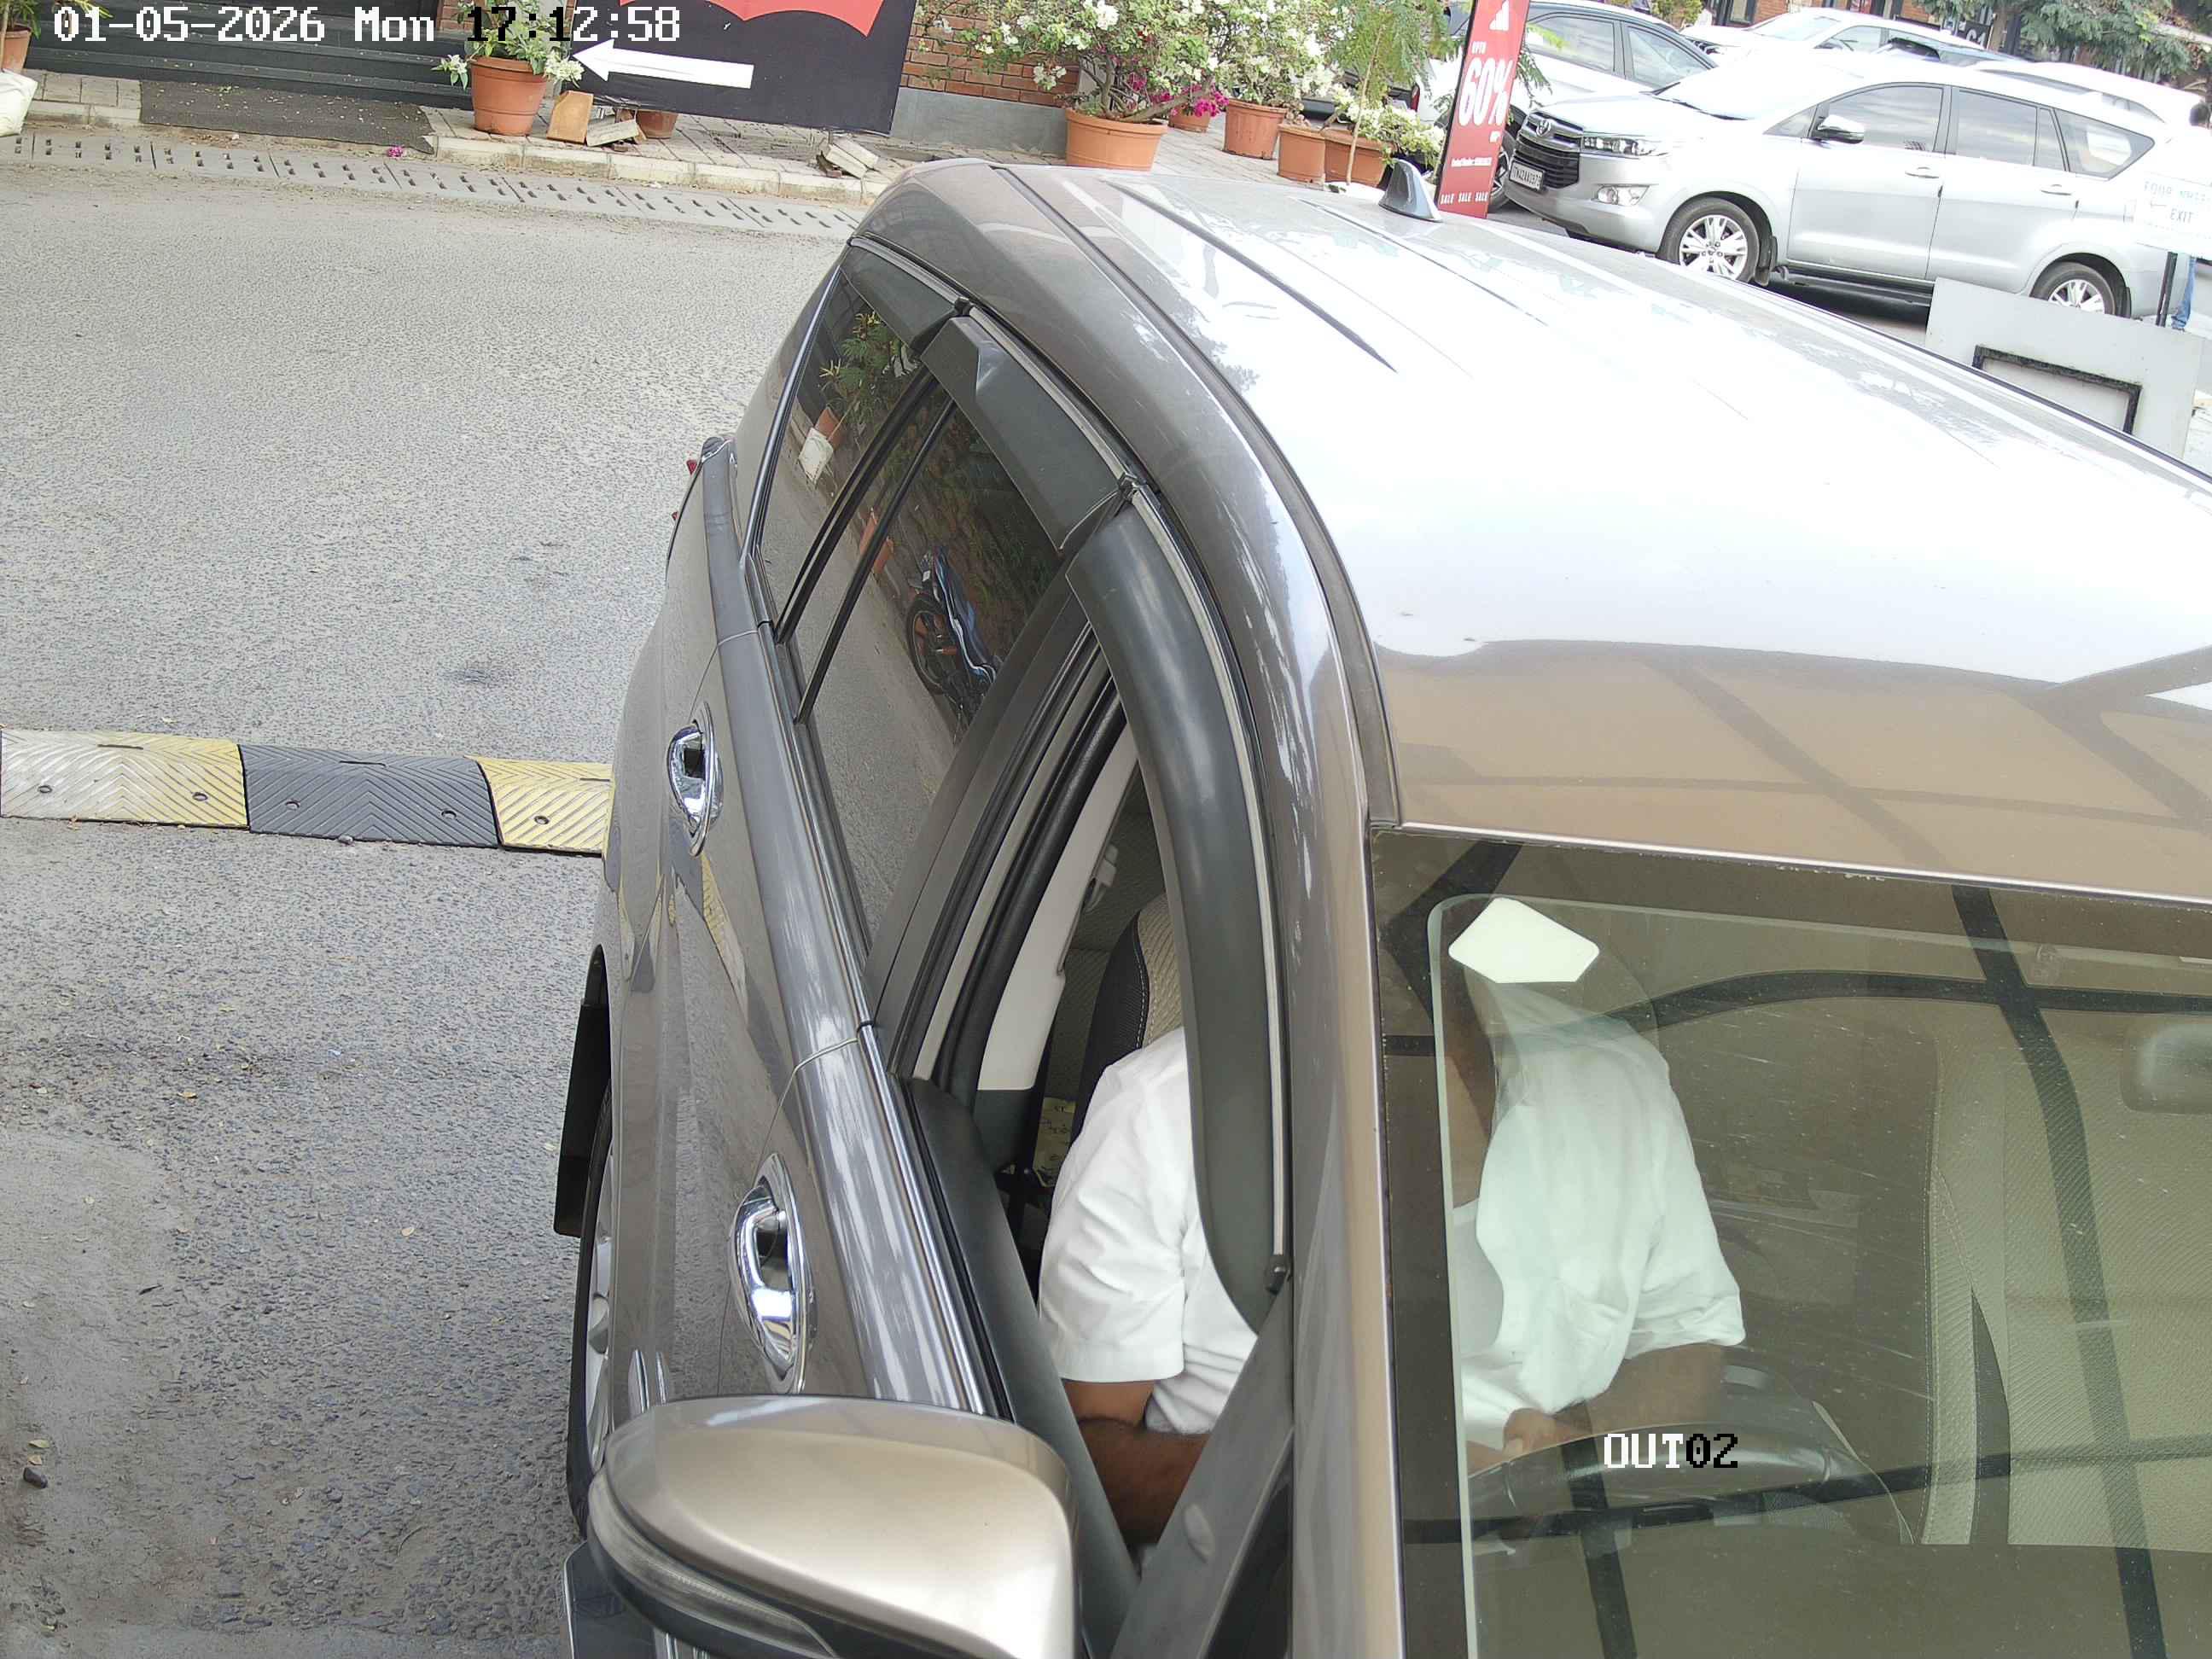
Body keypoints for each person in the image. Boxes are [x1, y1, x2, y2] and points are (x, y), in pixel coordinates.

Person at [1037, 934, 1744, 1545]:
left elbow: (1690, 1347)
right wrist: (1349, 1481)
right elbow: (1082, 1466)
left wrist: (1579, 1449)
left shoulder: (1616, 1079)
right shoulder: (1163, 1111)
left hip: (1574, 1575)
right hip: (1287, 1578)